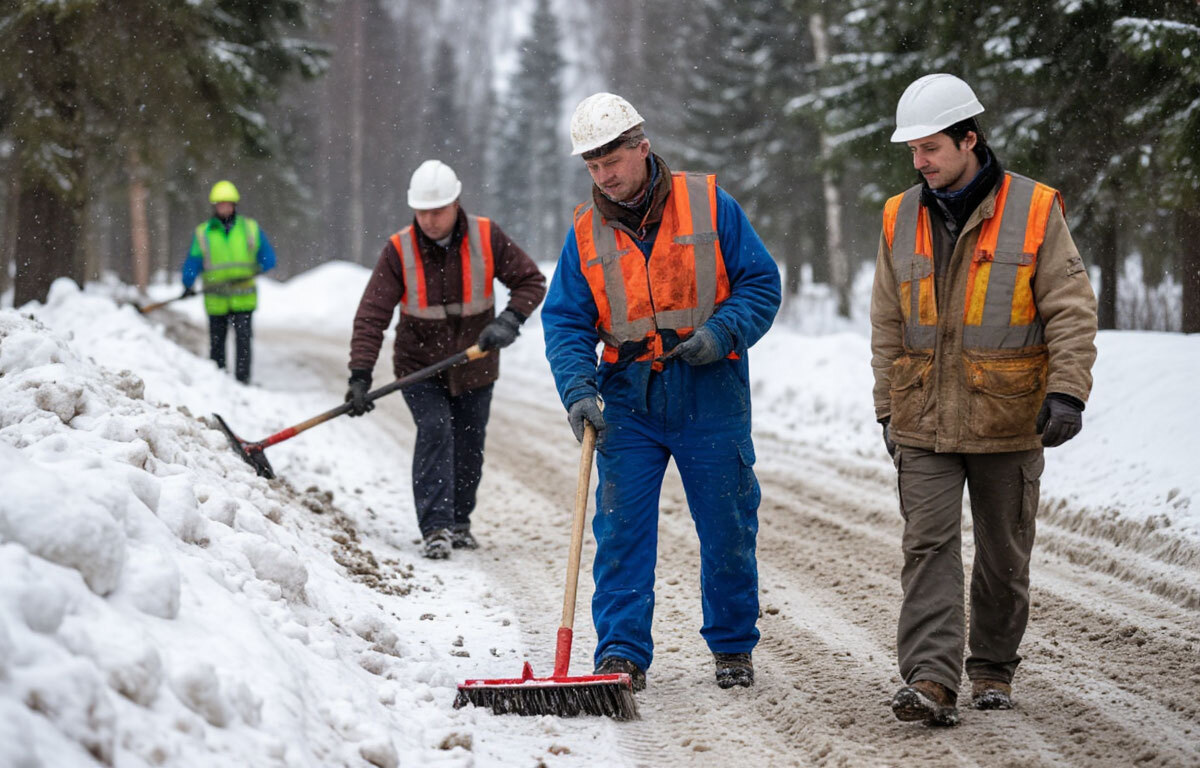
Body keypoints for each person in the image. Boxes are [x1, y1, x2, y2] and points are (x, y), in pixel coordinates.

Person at [871, 74, 1098, 726]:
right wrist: (888, 405)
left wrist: (1067, 392)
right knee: (929, 548)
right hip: (923, 419)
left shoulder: (1033, 210)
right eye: (912, 151)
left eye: (931, 148)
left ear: (969, 140)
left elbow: (1070, 310)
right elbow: (887, 321)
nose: (920, 163)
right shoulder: (898, 216)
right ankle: (932, 680)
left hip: (1009, 415)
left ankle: (993, 664)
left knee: (1004, 552)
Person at [542, 93, 781, 692]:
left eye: (612, 161)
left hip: (711, 390)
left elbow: (760, 283)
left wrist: (722, 330)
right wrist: (578, 388)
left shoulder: (708, 204)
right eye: (592, 166)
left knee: (727, 525)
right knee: (621, 531)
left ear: (642, 148)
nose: (605, 176)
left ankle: (731, 647)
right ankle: (621, 654)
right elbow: (566, 321)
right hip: (627, 397)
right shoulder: (585, 232)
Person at [347, 160, 546, 560]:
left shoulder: (487, 236)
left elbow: (530, 280)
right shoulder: (398, 249)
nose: (429, 220)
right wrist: (360, 375)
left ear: (456, 203)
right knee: (436, 429)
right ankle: (435, 526)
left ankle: (459, 522)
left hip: (476, 363)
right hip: (419, 366)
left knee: (470, 441)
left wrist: (510, 320)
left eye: (437, 210)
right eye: (421, 211)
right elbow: (372, 314)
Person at [181, 180, 277, 384]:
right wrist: (187, 282)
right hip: (216, 298)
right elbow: (194, 260)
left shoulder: (250, 229)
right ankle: (218, 380)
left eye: (228, 203)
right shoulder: (203, 232)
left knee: (243, 341)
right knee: (217, 343)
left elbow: (268, 258)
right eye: (220, 204)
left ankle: (243, 381)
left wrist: (261, 267)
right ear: (215, 206)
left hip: (243, 299)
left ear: (234, 205)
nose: (224, 207)